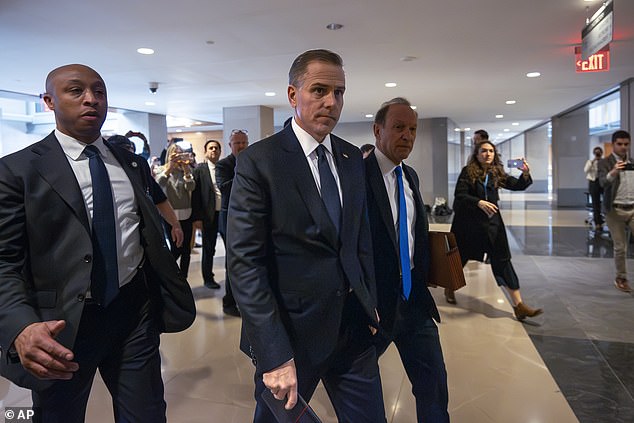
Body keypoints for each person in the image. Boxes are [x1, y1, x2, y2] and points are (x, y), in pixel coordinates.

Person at [0, 64, 195, 422]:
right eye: (76, 91)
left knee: (147, 413)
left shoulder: (130, 163)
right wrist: (20, 326)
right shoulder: (17, 171)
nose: (91, 99)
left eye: (99, 91)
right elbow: (4, 261)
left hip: (134, 313)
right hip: (62, 324)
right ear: (48, 101)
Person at [227, 49, 386, 423]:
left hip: (352, 329)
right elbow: (246, 265)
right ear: (293, 95)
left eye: (339, 92)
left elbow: (359, 239)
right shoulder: (259, 161)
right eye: (319, 90)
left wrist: (369, 299)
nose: (331, 102)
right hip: (290, 334)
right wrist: (273, 352)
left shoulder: (350, 159)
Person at [365, 97, 449, 422]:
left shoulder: (409, 175)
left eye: (412, 129)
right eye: (399, 127)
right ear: (377, 130)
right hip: (375, 306)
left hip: (413, 299)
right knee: (362, 395)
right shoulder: (357, 176)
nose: (407, 136)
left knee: (434, 385)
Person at [448, 139, 543, 320]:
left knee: (503, 259)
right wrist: (478, 202)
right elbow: (460, 195)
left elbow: (517, 185)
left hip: (492, 225)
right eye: (484, 151)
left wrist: (525, 173)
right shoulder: (467, 172)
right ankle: (450, 288)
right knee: (460, 259)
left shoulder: (495, 172)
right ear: (476, 154)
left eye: (491, 151)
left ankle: (519, 305)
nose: (488, 154)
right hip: (469, 225)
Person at [215, 129, 248, 316]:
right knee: (232, 261)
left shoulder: (251, 161)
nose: (242, 146)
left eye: (244, 142)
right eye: (238, 143)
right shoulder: (223, 165)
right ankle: (228, 302)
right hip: (229, 218)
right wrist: (240, 171)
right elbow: (225, 188)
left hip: (247, 217)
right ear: (230, 145)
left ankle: (242, 300)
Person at [598, 130, 634, 293]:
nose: (623, 147)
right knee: (620, 247)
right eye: (619, 144)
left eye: (626, 144)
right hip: (614, 210)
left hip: (632, 208)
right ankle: (621, 277)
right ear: (613, 144)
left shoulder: (632, 162)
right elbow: (603, 183)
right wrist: (614, 172)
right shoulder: (605, 162)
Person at [155, 143, 196, 277]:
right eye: (176, 154)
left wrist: (186, 169)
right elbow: (158, 185)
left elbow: (191, 187)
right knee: (175, 248)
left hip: (186, 213)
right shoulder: (161, 170)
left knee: (186, 250)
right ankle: (169, 274)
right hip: (169, 215)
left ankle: (183, 277)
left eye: (181, 154)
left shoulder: (186, 170)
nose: (178, 157)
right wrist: (169, 168)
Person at [192, 139, 223, 289]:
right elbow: (195, 195)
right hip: (208, 215)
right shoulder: (200, 170)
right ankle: (208, 278)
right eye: (211, 148)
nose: (214, 150)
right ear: (205, 151)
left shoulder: (224, 167)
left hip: (224, 214)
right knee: (209, 248)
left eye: (216, 148)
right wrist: (197, 218)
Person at [585, 146, 605, 229]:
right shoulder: (590, 161)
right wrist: (593, 161)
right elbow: (586, 170)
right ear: (594, 153)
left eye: (599, 152)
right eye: (596, 153)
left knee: (606, 202)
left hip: (603, 182)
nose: (598, 154)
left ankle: (605, 219)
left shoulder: (604, 161)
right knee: (595, 203)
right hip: (594, 182)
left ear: (601, 153)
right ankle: (598, 222)